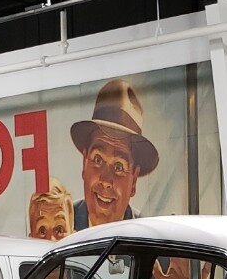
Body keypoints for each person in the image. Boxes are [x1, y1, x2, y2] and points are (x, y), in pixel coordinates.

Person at [69, 79, 160, 230]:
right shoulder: (61, 225)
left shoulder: (148, 238)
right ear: (84, 163)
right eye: (98, 159)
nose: (105, 180)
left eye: (118, 166)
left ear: (134, 180)